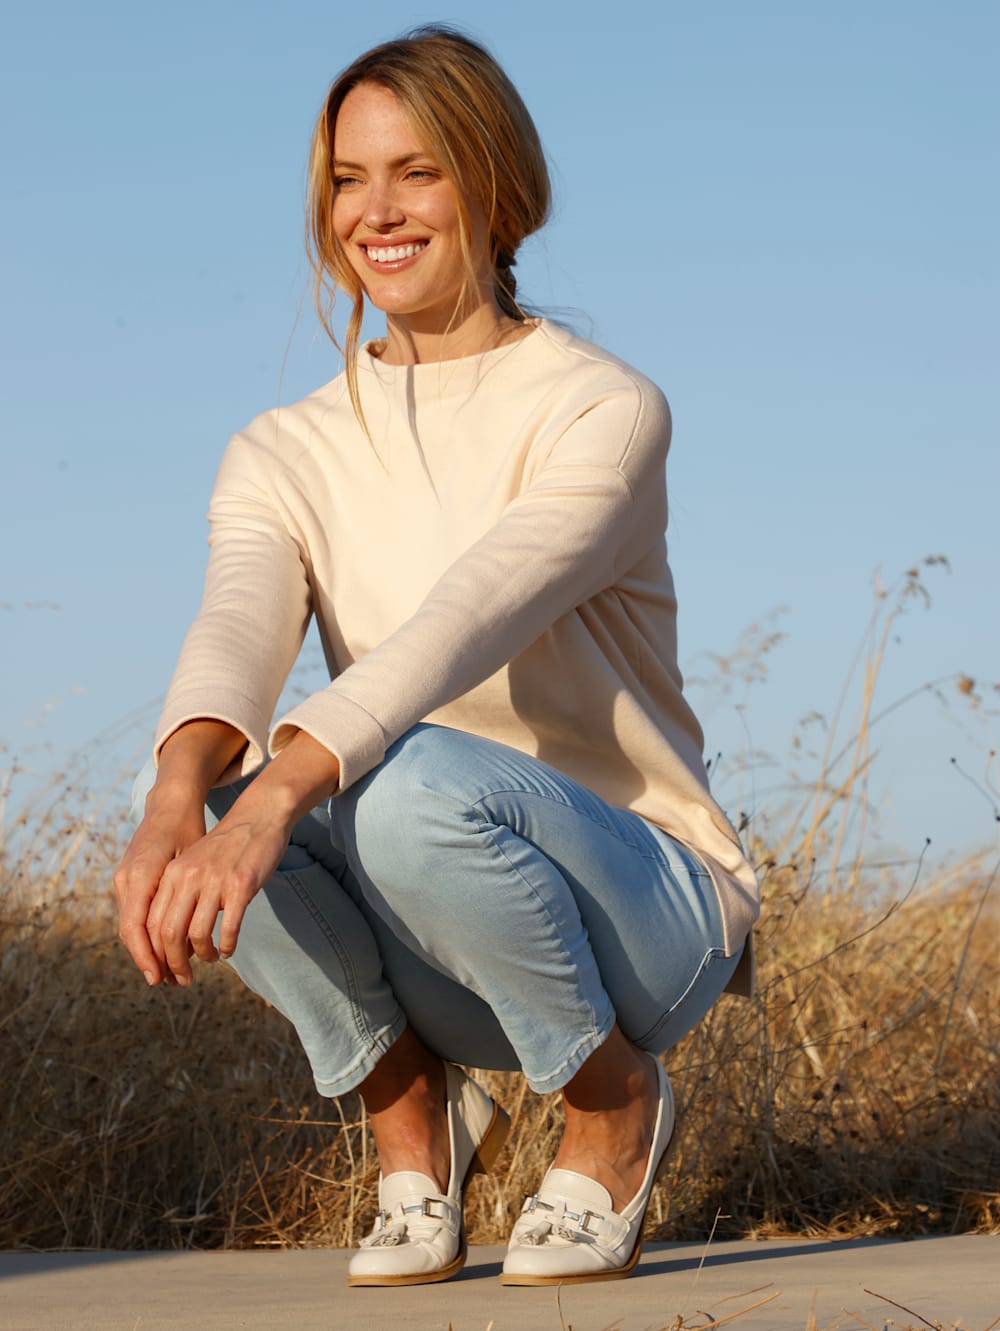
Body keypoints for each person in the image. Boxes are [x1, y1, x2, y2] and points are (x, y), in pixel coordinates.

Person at [114, 25, 759, 1288]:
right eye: (348, 180)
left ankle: (614, 1102)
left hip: (643, 911)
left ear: (497, 186)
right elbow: (238, 625)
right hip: (439, 926)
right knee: (214, 806)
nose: (377, 211)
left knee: (398, 786)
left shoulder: (601, 406)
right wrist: (175, 799)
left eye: (417, 171)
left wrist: (280, 796)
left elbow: (464, 617)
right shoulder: (281, 447)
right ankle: (414, 1120)